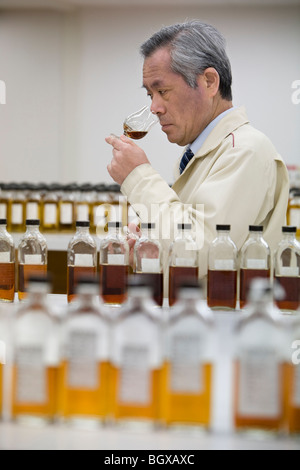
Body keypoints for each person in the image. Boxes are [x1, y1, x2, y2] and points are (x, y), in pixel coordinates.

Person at [105, 20, 289, 290]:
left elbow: (199, 251)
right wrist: (147, 240)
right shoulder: (199, 153)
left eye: (163, 91)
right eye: (150, 94)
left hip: (229, 324)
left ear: (209, 81)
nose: (154, 107)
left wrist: (139, 177)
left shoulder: (246, 151)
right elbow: (183, 240)